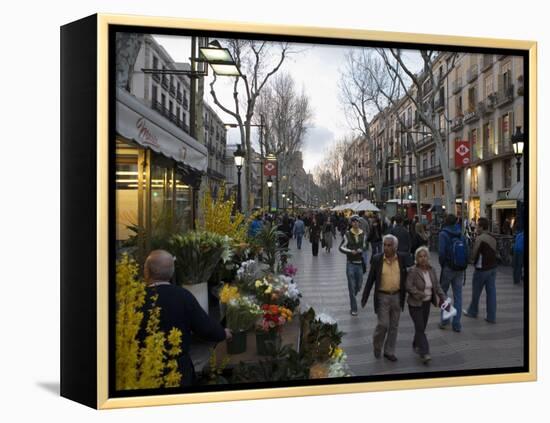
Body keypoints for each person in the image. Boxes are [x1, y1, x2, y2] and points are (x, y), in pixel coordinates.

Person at [141, 250, 231, 386]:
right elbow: (205, 327)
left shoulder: (134, 299)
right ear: (172, 273)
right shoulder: (182, 296)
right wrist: (223, 333)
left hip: (142, 371)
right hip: (178, 371)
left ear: (146, 271)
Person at [361, 234, 408, 361]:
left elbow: (406, 276)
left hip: (397, 296)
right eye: (384, 245)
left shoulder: (402, 259)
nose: (386, 248)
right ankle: (377, 345)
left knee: (394, 326)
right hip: (382, 297)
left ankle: (389, 351)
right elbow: (370, 279)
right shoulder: (377, 259)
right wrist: (364, 297)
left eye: (389, 245)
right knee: (383, 324)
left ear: (395, 247)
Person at [406, 246, 447, 364]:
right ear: (416, 258)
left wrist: (443, 298)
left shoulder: (432, 270)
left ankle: (415, 343)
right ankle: (425, 352)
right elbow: (408, 286)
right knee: (420, 327)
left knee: (421, 327)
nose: (423, 258)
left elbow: (437, 286)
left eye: (425, 256)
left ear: (428, 257)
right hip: (415, 304)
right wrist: (419, 294)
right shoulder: (413, 271)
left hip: (427, 304)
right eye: (420, 256)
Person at [463, 217, 498, 323]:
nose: (476, 228)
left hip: (482, 269)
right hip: (493, 268)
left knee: (476, 292)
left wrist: (470, 260)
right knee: (491, 293)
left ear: (482, 227)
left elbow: (475, 252)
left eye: (478, 226)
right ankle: (491, 316)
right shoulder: (493, 237)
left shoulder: (480, 238)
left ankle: (473, 311)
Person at [438, 214, 468, 332]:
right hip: (459, 269)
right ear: (456, 222)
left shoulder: (443, 234)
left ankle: (445, 320)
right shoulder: (461, 234)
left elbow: (441, 253)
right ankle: (457, 324)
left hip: (448, 268)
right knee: (458, 296)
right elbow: (467, 249)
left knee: (443, 295)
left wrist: (443, 265)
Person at [340, 215, 368, 316]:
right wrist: (350, 251)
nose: (356, 223)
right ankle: (354, 308)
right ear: (351, 223)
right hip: (350, 264)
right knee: (351, 287)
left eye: (357, 222)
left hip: (360, 263)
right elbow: (341, 247)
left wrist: (362, 249)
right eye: (354, 221)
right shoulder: (347, 234)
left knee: (359, 285)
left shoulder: (363, 234)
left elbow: (365, 245)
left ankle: (353, 296)